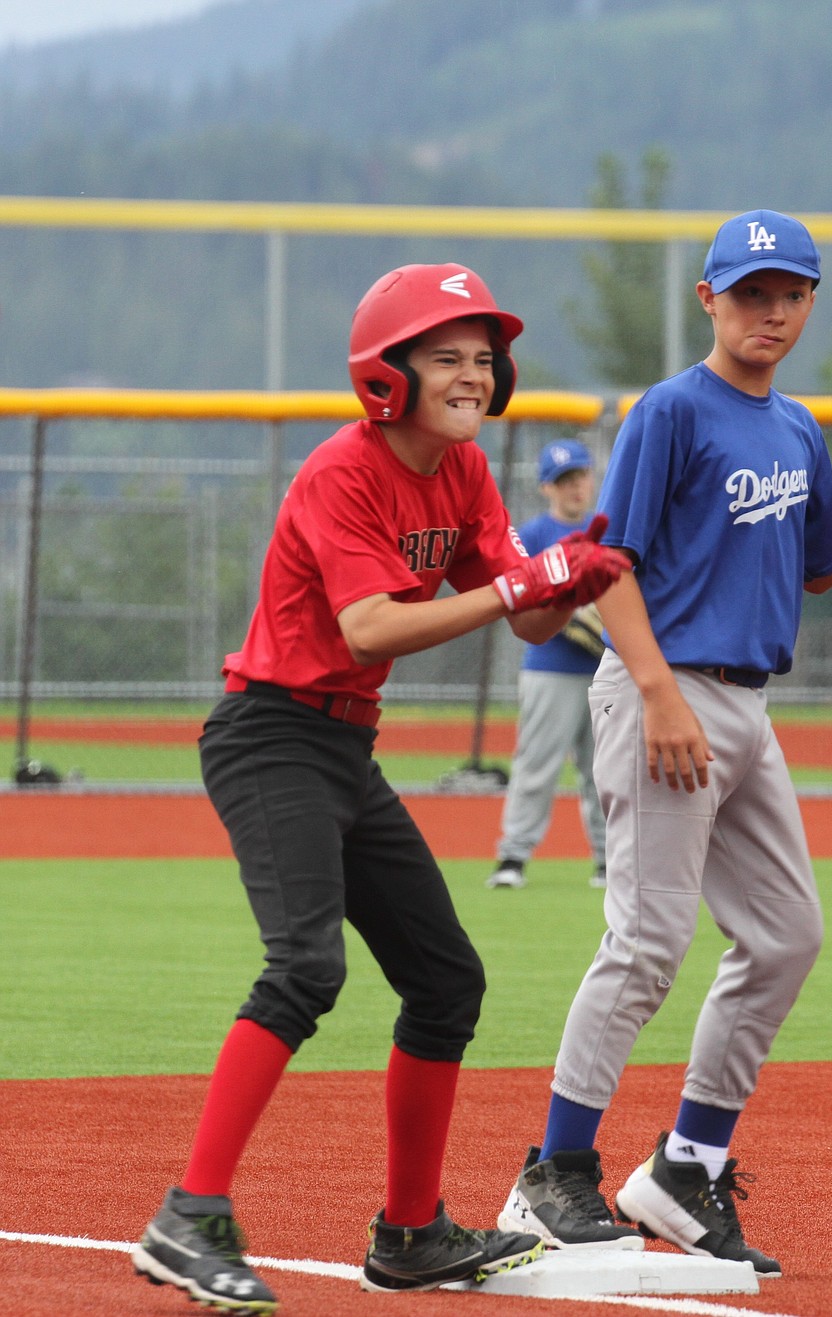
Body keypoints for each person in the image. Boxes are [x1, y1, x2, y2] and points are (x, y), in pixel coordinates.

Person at [130, 262, 629, 1311]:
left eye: (484, 360)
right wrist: (514, 587)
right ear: (384, 379)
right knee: (305, 971)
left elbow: (530, 615)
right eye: (445, 358)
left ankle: (410, 1237)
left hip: (346, 746)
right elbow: (372, 628)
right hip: (269, 734)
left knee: (447, 984)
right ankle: (189, 1216)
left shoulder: (464, 472)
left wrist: (574, 568)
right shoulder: (340, 474)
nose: (472, 376)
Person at [497, 210, 832, 1275]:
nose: (773, 311)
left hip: (748, 706)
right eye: (753, 292)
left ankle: (685, 1170)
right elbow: (608, 565)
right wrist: (656, 693)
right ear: (711, 299)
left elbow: (825, 562)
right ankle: (551, 1176)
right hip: (669, 690)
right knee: (649, 942)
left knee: (787, 935)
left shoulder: (795, 427)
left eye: (791, 293)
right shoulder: (672, 412)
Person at [486, 438, 608, 891]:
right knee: (536, 765)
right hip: (549, 668)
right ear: (545, 488)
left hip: (602, 672)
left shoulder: (606, 530)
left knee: (605, 772)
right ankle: (513, 857)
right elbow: (521, 592)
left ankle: (609, 862)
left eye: (579, 477)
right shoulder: (535, 534)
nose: (574, 487)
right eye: (563, 481)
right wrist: (573, 613)